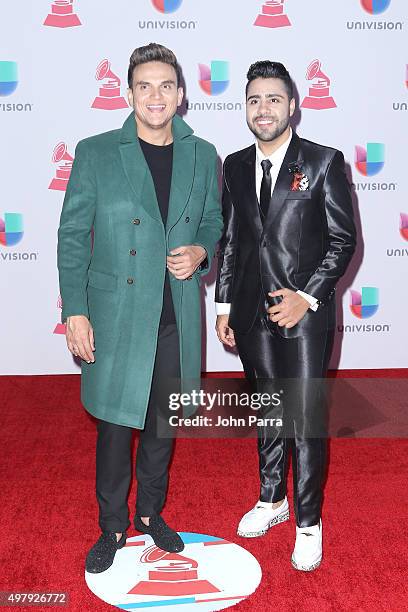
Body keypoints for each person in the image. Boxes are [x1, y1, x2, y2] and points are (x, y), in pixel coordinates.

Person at [57, 43, 223, 574]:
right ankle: (112, 525)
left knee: (161, 422)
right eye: (145, 86)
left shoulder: (203, 154)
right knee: (113, 425)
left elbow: (215, 224)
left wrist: (200, 252)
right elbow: (71, 237)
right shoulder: (96, 151)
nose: (156, 96)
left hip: (173, 312)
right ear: (128, 94)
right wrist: (75, 310)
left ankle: (150, 514)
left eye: (166, 85)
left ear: (180, 94)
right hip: (115, 313)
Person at [215, 61, 356, 571]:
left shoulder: (321, 161)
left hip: (304, 317)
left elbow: (343, 241)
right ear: (245, 108)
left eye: (273, 99)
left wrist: (309, 296)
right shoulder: (232, 164)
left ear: (293, 105)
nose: (264, 109)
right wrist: (226, 304)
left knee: (303, 418)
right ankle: (272, 499)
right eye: (254, 100)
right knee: (267, 411)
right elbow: (231, 240)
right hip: (251, 313)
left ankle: (309, 521)